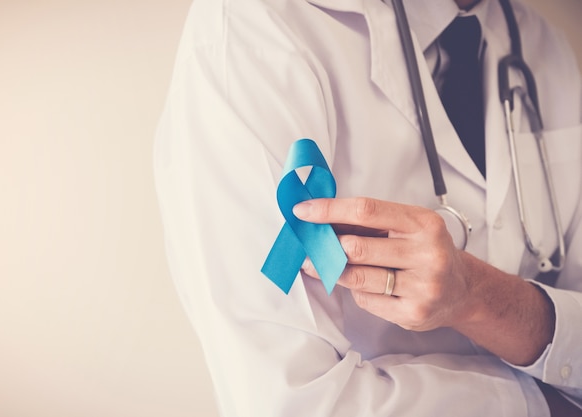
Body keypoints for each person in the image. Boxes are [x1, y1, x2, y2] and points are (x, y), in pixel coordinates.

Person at [154, 0, 582, 415]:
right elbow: (292, 403)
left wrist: (479, 295)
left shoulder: (546, 47)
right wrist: (543, 403)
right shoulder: (254, 32)